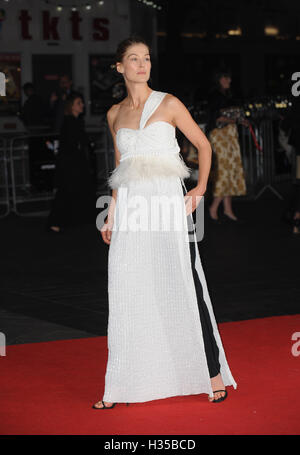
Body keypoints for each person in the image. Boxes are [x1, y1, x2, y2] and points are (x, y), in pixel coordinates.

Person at [92, 36, 237, 410]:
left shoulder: (169, 103)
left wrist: (201, 188)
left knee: (184, 281)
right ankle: (121, 385)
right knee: (127, 285)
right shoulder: (113, 115)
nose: (143, 65)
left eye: (147, 58)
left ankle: (212, 373)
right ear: (120, 67)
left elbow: (204, 146)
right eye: (134, 59)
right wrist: (110, 212)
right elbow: (122, 170)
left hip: (168, 205)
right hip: (133, 209)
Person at [46, 93, 95, 232]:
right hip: (70, 164)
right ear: (72, 106)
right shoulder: (70, 122)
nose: (83, 105)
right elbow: (72, 143)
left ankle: (74, 220)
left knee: (76, 191)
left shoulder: (75, 121)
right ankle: (55, 222)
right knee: (65, 191)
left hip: (75, 162)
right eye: (79, 103)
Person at [206, 70, 247, 223]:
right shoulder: (215, 95)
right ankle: (214, 206)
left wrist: (240, 120)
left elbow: (231, 115)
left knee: (231, 169)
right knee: (224, 169)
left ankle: (227, 208)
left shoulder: (228, 95)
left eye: (229, 77)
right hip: (219, 135)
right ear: (219, 79)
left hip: (229, 134)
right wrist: (236, 121)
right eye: (225, 77)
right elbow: (217, 117)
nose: (228, 79)